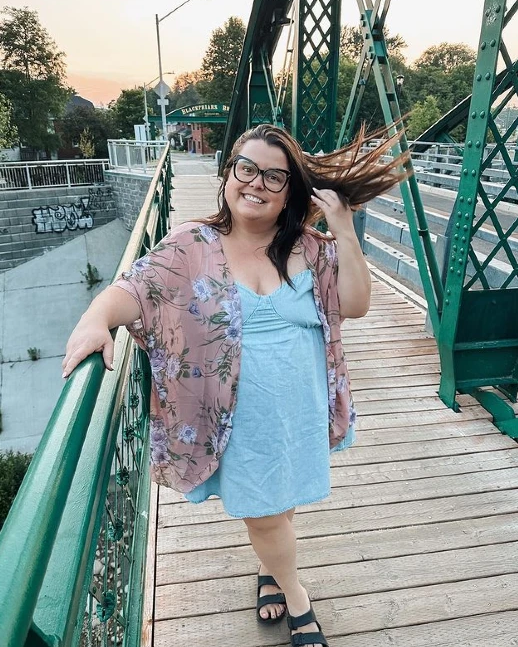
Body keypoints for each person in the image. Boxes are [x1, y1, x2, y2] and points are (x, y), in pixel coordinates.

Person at [62, 124, 408, 647]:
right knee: (263, 512)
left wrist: (344, 230)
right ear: (228, 175)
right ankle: (298, 598)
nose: (257, 184)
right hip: (231, 417)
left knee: (281, 501)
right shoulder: (190, 245)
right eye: (246, 169)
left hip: (300, 406)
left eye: (274, 176)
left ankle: (271, 573)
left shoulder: (310, 248)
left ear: (290, 189)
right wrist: (94, 320)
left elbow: (356, 304)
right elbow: (134, 290)